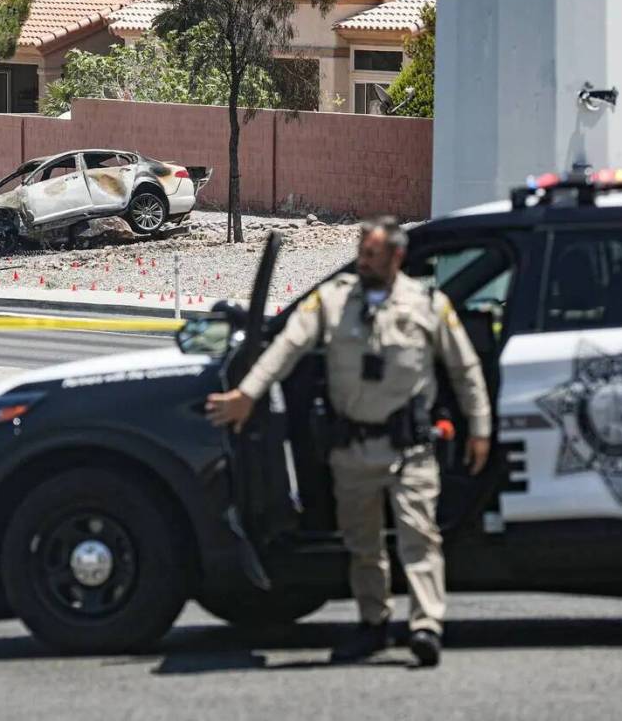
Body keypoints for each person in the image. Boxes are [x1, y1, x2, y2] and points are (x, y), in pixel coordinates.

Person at [205, 216, 491, 667]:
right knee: (363, 544)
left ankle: (426, 627)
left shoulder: (428, 304)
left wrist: (479, 428)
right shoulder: (332, 300)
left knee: (419, 538)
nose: (363, 261)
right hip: (352, 448)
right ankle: (374, 624)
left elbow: (465, 369)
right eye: (361, 252)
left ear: (397, 257)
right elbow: (285, 348)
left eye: (372, 254)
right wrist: (248, 394)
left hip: (409, 450)